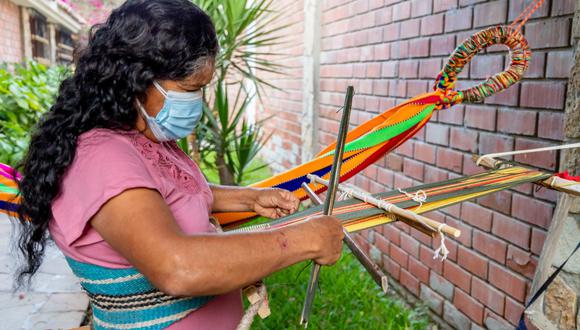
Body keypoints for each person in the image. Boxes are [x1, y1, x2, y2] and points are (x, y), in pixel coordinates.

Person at [13, 0, 344, 328]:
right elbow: (177, 267)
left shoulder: (144, 136)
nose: (197, 101)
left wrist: (248, 198)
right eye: (190, 89)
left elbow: (166, 193)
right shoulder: (102, 157)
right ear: (137, 79)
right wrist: (303, 240)